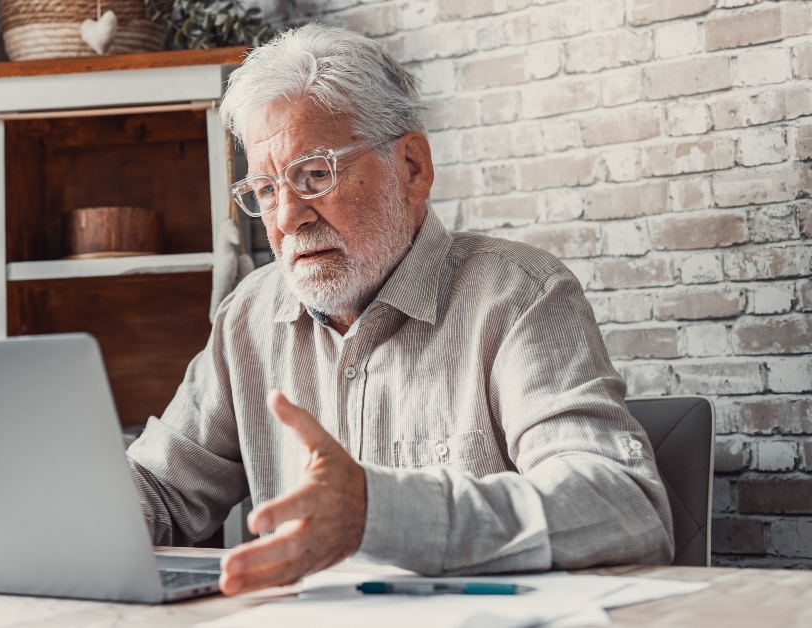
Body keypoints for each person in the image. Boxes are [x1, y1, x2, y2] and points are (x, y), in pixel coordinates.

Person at [125, 23, 674, 596]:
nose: (286, 218)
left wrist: (380, 511)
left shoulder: (520, 295)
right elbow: (159, 488)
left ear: (412, 167)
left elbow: (623, 504)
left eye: (315, 174)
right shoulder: (249, 318)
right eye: (265, 189)